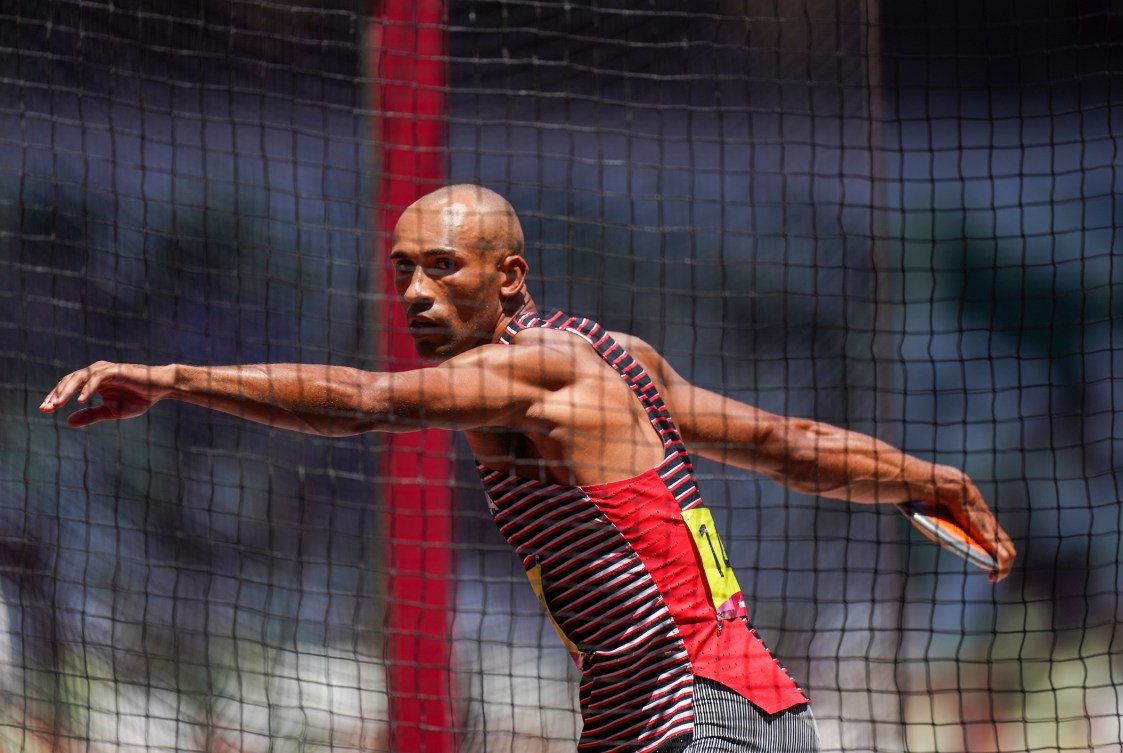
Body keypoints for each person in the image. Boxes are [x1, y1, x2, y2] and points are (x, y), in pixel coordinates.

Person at [41, 184, 1015, 753]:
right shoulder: (611, 353)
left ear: (510, 275)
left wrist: (170, 377)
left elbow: (365, 403)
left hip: (696, 717)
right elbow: (786, 446)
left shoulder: (533, 372)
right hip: (728, 714)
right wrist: (925, 479)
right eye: (404, 272)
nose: (417, 294)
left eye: (444, 269)